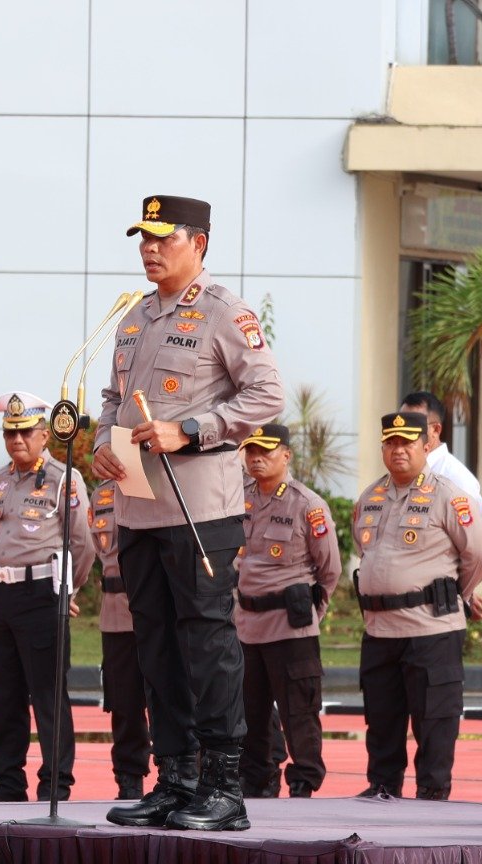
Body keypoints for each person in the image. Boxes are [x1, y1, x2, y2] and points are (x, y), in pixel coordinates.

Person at [95, 194, 284, 832]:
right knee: (155, 646)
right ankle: (174, 780)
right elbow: (114, 397)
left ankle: (225, 788)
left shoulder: (225, 313)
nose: (149, 249)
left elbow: (267, 393)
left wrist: (194, 429)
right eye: (142, 239)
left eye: (162, 238)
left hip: (199, 507)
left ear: (197, 243)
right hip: (138, 504)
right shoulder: (133, 318)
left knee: (207, 643)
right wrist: (103, 442)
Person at [353, 412, 482, 801]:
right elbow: (363, 550)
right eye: (391, 443)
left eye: (407, 443)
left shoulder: (450, 496)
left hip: (431, 629)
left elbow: (479, 556)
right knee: (382, 717)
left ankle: (432, 792)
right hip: (380, 629)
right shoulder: (369, 498)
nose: (398, 450)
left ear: (425, 446)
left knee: (434, 720)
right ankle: (382, 788)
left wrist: (452, 595)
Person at [0, 391, 95, 803]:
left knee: (47, 694)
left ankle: (54, 785)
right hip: (3, 593)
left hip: (42, 593)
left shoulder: (65, 479)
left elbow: (83, 545)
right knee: (5, 694)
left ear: (44, 435)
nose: (17, 440)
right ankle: (8, 782)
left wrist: (68, 591)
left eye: (25, 432)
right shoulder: (0, 479)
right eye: (10, 433)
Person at [235, 424, 342, 799]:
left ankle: (303, 781)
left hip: (290, 626)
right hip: (247, 625)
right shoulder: (239, 499)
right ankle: (258, 779)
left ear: (286, 455)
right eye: (251, 451)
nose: (256, 458)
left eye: (265, 450)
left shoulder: (307, 504)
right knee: (250, 711)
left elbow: (330, 570)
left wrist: (311, 613)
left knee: (299, 710)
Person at [93, 478, 152, 801]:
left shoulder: (158, 482)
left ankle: (177, 774)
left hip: (156, 611)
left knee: (168, 697)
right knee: (124, 702)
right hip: (115, 612)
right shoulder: (100, 494)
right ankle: (129, 778)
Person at [400, 391, 482, 515]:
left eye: (414, 426)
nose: (405, 432)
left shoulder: (457, 479)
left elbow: (468, 525)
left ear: (436, 430)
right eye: (402, 426)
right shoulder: (399, 471)